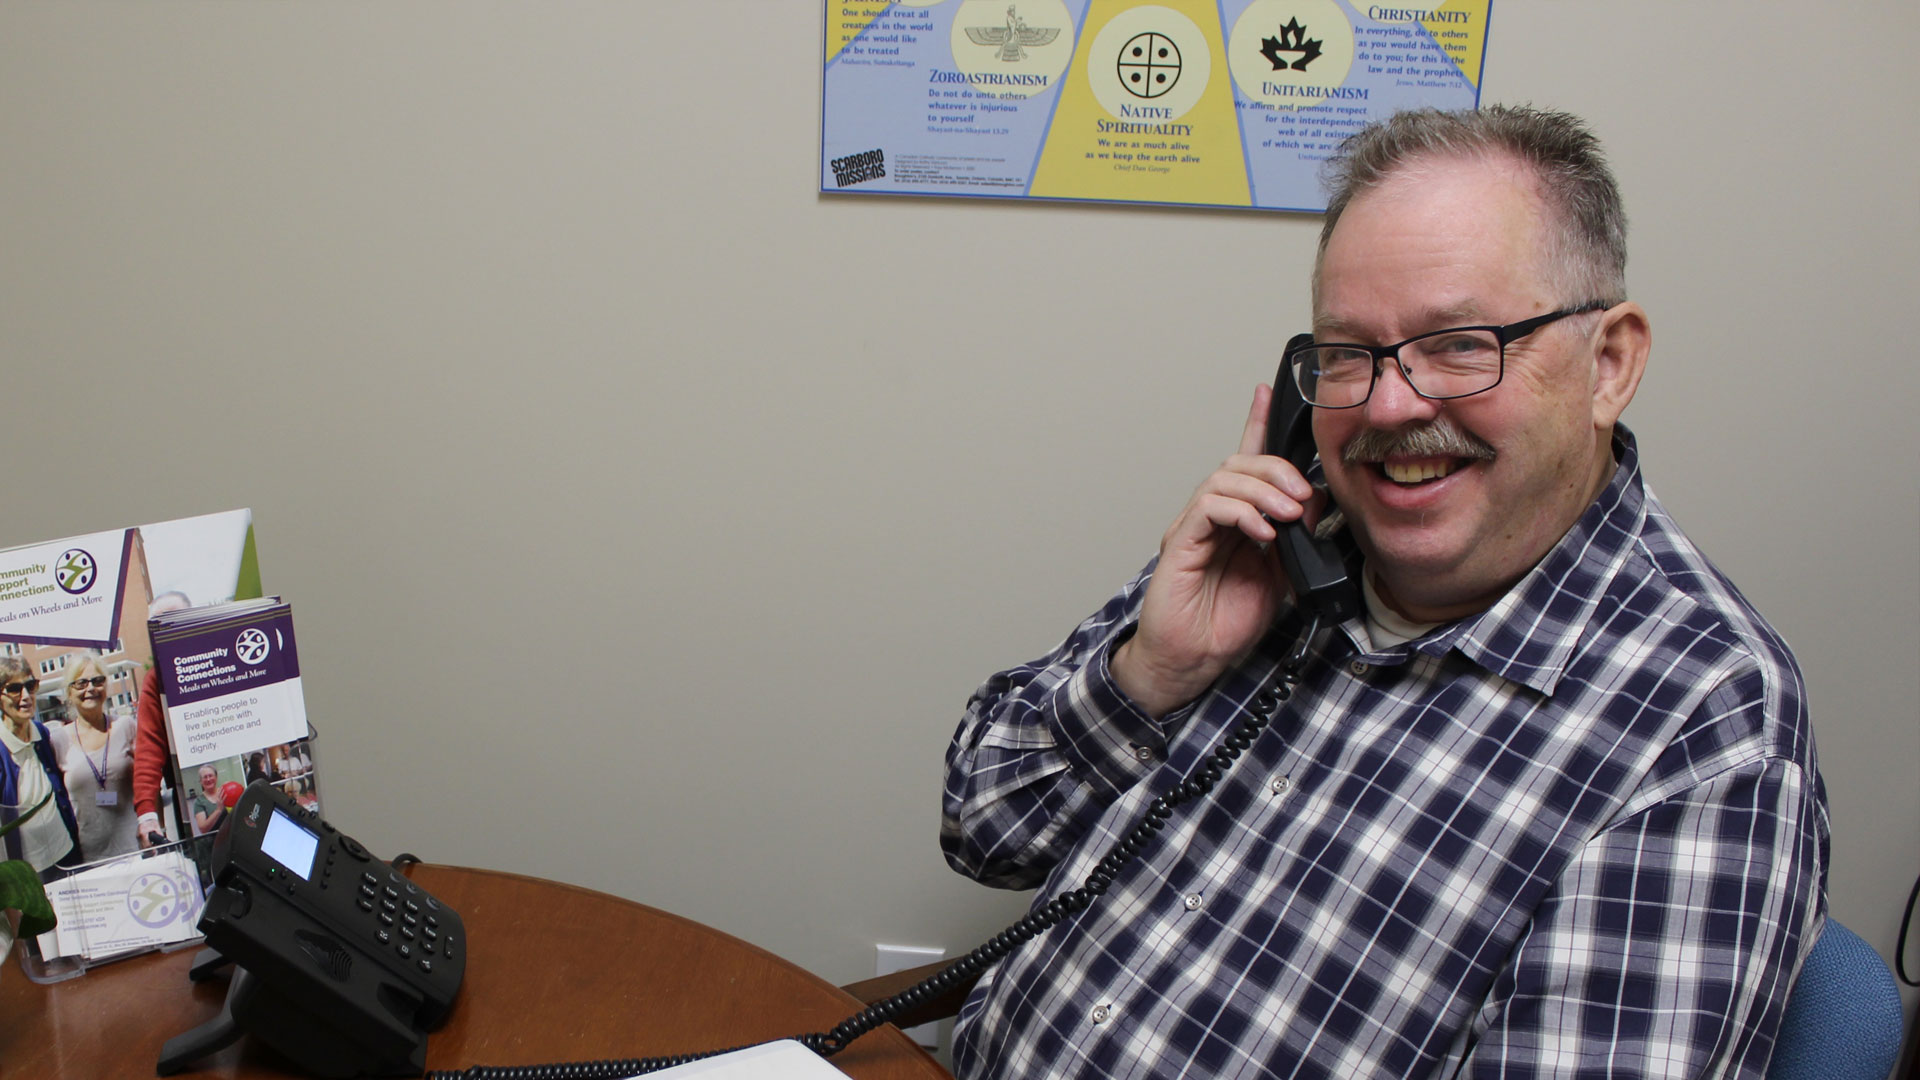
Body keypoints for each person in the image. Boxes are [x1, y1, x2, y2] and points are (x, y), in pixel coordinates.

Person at [942, 106, 1826, 1080]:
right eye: (1350, 353)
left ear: (1607, 365)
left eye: (1459, 344)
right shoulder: (1281, 537)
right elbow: (982, 828)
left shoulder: (1702, 728)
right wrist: (1151, 672)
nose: (1392, 405)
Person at [46, 654, 139, 861]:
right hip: (89, 857)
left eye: (97, 681)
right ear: (69, 693)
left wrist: (155, 825)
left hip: (137, 846)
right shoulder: (58, 740)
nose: (90, 689)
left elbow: (149, 784)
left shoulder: (126, 726)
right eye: (81, 683)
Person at [0, 657, 83, 876]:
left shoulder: (42, 734)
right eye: (15, 689)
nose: (25, 696)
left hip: (67, 853)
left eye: (30, 686)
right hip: (29, 870)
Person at [132, 589, 191, 848]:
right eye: (159, 626)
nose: (169, 631)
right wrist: (147, 815)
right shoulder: (156, 680)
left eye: (176, 620)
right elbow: (148, 749)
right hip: (189, 803)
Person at [188, 763, 229, 836]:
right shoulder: (199, 802)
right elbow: (203, 829)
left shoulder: (225, 792)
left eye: (210, 776)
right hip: (215, 841)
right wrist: (218, 810)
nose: (208, 779)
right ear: (200, 781)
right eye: (205, 777)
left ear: (216, 777)